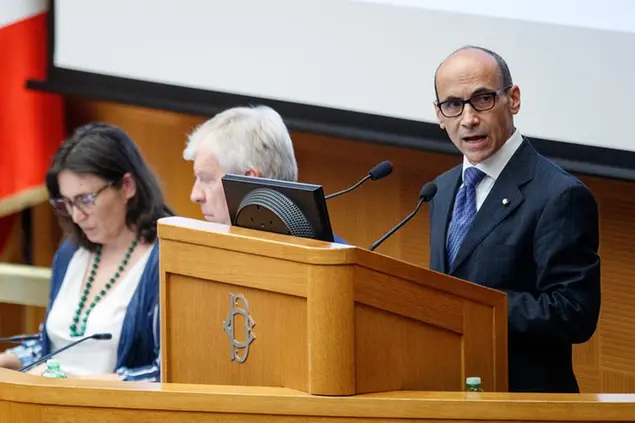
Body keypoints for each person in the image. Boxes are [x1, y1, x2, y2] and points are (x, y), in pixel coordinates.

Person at [428, 46, 601, 393]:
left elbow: (575, 311)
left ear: (514, 99)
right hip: (453, 394)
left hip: (526, 403)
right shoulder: (442, 189)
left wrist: (477, 310)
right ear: (439, 114)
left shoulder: (559, 195)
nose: (468, 119)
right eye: (453, 105)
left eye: (482, 99)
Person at [0, 123, 172, 382]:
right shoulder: (72, 252)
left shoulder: (164, 260)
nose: (77, 216)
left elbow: (165, 376)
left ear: (127, 186)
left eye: (85, 199)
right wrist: (7, 361)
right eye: (66, 203)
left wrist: (76, 384)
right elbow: (57, 347)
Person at [184, 105, 347, 244]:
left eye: (207, 179)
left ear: (248, 180)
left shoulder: (334, 265)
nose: (194, 196)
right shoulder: (197, 252)